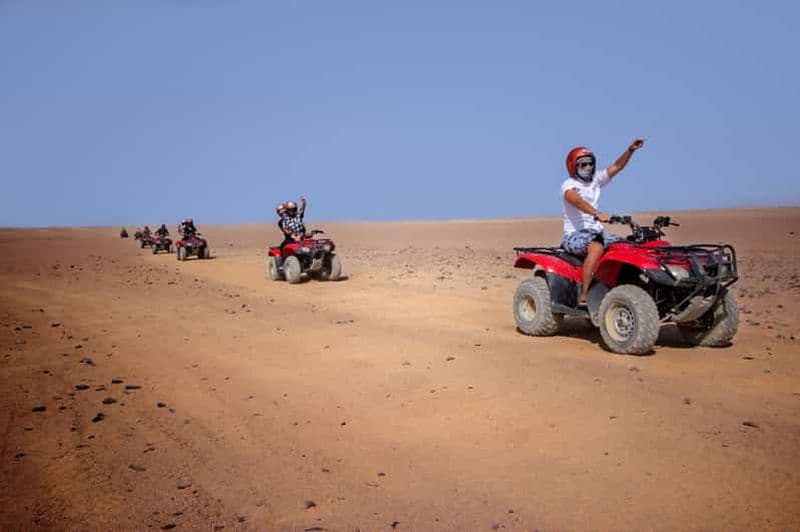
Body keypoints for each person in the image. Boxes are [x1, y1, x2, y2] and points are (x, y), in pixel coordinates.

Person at [560, 138, 645, 306]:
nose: (588, 168)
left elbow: (617, 167)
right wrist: (596, 213)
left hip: (597, 233)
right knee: (596, 246)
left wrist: (630, 150)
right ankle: (584, 295)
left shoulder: (596, 180)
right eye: (583, 164)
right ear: (573, 166)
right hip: (575, 235)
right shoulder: (569, 184)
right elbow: (576, 201)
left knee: (629, 245)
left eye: (590, 164)